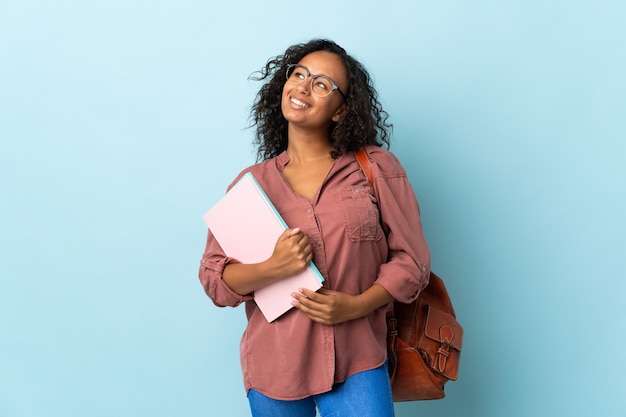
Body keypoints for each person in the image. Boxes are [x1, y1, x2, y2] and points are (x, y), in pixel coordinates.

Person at [199, 38, 430, 417]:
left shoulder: (376, 169)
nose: (304, 87)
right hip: (275, 366)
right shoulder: (250, 185)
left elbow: (412, 262)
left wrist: (355, 305)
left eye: (322, 84)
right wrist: (273, 268)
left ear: (341, 110)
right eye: (300, 75)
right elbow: (215, 282)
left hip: (358, 358)